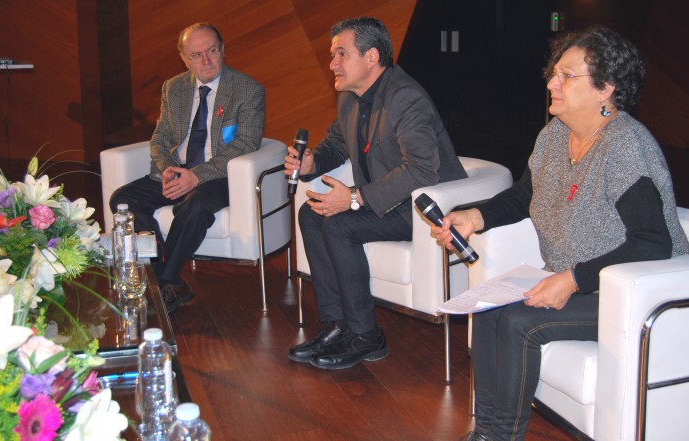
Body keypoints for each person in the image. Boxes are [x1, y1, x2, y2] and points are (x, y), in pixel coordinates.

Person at [431, 27, 689, 441]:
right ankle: (486, 432)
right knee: (486, 309)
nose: (552, 82)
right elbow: (524, 196)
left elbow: (652, 242)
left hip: (630, 292)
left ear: (605, 88)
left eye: (567, 76)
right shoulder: (553, 136)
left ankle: (501, 436)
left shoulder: (624, 146)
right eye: (554, 73)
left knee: (517, 321)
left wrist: (571, 280)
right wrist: (475, 216)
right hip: (581, 280)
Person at [284, 17, 467, 371]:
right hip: (384, 199)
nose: (332, 63)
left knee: (339, 226)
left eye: (341, 53)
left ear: (371, 57)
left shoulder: (405, 97)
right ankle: (337, 325)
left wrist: (354, 199)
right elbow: (336, 146)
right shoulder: (350, 98)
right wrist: (310, 164)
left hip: (422, 207)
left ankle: (367, 335)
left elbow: (421, 170)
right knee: (311, 213)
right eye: (331, 54)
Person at [110, 22, 265, 313]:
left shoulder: (247, 89)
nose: (206, 60)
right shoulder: (174, 87)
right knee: (122, 200)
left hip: (219, 175)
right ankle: (166, 278)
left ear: (223, 49)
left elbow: (245, 144)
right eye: (196, 55)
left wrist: (196, 176)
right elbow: (161, 137)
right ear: (184, 58)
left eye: (211, 51)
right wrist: (168, 168)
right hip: (176, 170)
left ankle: (159, 281)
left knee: (195, 206)